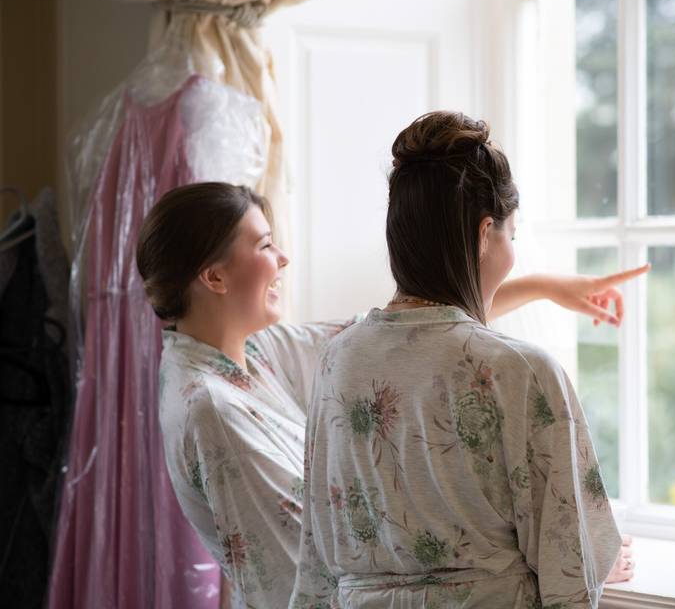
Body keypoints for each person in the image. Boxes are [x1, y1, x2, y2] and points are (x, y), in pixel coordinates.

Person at [136, 182, 646, 608]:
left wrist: (545, 286)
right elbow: (297, 562)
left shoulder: (257, 354)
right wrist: (565, 552)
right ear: (215, 276)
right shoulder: (212, 409)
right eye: (265, 245)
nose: (284, 257)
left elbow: (411, 329)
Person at [290, 111, 637, 608]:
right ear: (484, 233)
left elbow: (316, 562)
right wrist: (595, 556)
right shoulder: (524, 373)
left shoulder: (337, 361)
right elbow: (570, 572)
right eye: (511, 236)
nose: (512, 250)